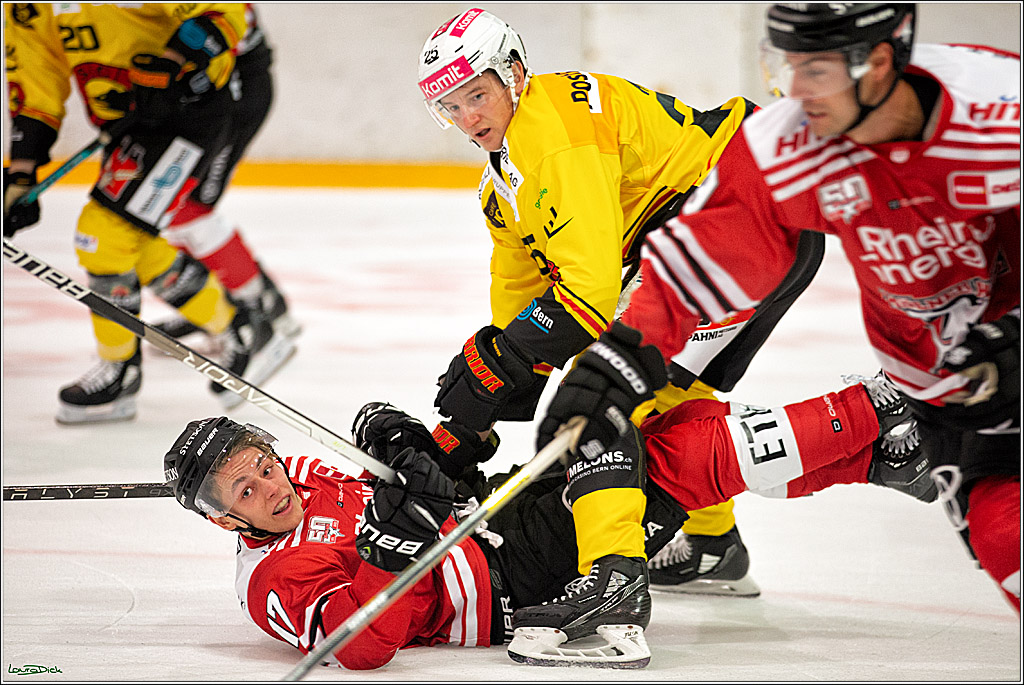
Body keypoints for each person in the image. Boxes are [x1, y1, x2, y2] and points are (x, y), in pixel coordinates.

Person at [537, 4, 1020, 612]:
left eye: (815, 69)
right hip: (953, 392)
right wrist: (622, 357)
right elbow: (702, 261)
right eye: (785, 64)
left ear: (877, 63)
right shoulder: (787, 145)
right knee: (1006, 539)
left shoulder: (1002, 110)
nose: (794, 90)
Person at [418, 7, 829, 600]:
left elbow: (586, 298)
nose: (467, 117)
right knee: (659, 388)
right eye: (450, 107)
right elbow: (523, 300)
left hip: (753, 214)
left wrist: (505, 361)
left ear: (513, 71)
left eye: (475, 95)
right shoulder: (501, 184)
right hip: (734, 214)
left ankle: (612, 581)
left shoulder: (552, 133)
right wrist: (476, 413)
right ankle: (712, 543)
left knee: (613, 396)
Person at [162, 371, 932, 669]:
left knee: (659, 408)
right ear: (226, 521)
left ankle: (876, 459)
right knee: (662, 462)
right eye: (241, 489)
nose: (266, 483)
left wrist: (407, 448)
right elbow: (360, 646)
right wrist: (393, 549)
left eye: (259, 461)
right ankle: (878, 407)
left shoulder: (296, 478)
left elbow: (410, 492)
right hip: (513, 576)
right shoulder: (271, 580)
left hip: (495, 513)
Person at [3, 3, 296, 421]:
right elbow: (36, 75)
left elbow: (225, 12)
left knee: (102, 235)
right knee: (124, 244)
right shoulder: (25, 7)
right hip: (131, 122)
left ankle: (126, 368)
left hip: (189, 113)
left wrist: (173, 63)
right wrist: (21, 171)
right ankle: (242, 328)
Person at [156, 4, 301, 349]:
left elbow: (227, 24)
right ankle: (229, 304)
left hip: (233, 96)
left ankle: (257, 308)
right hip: (212, 91)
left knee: (190, 208)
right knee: (172, 206)